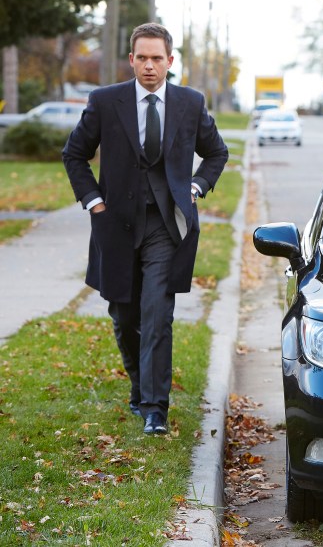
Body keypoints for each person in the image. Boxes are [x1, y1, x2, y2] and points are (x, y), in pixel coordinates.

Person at [63, 23, 228, 435]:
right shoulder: (105, 101)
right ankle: (140, 389)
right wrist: (94, 201)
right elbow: (74, 155)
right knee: (124, 315)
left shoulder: (190, 102)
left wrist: (196, 185)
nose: (150, 66)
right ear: (131, 60)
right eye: (143, 57)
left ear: (170, 61)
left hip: (166, 225)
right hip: (115, 225)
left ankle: (155, 408)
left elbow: (216, 153)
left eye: (158, 58)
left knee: (157, 314)